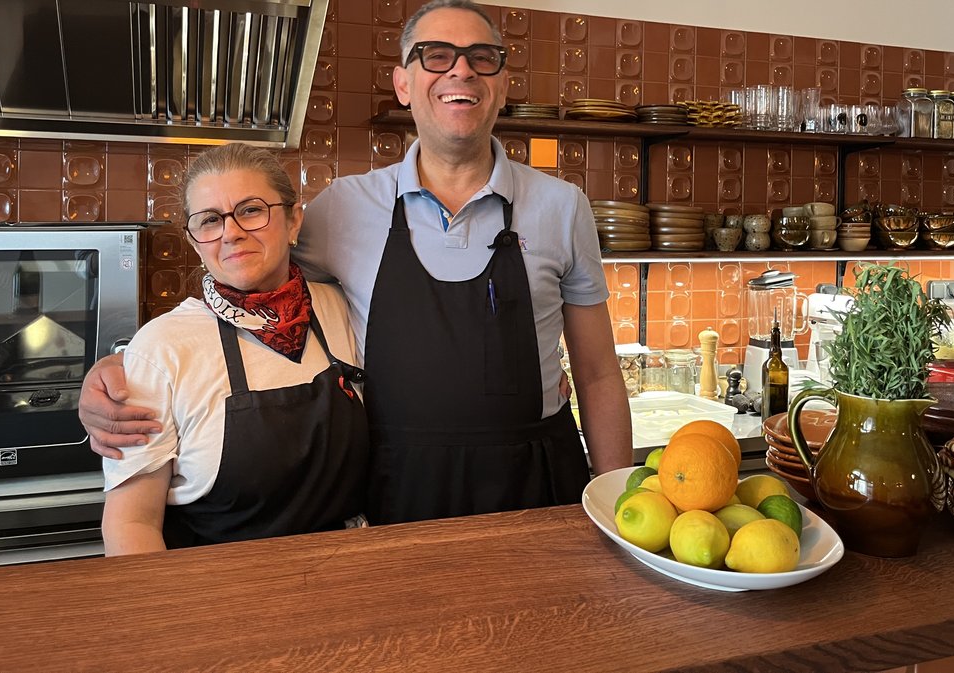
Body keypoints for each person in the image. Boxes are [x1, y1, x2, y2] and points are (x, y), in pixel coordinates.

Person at [80, 0, 632, 525]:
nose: (461, 71)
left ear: (502, 84)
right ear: (403, 83)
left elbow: (599, 373)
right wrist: (131, 368)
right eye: (436, 56)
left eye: (482, 58)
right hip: (398, 482)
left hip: (537, 477)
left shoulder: (563, 206)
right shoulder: (344, 207)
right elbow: (252, 282)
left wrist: (617, 503)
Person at [100, 144, 369, 554]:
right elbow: (131, 522)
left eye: (250, 210)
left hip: (349, 573)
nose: (231, 232)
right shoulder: (161, 349)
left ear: (293, 221)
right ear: (194, 241)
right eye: (209, 220)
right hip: (219, 595)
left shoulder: (343, 307)